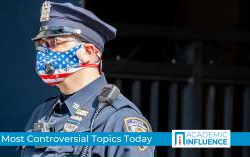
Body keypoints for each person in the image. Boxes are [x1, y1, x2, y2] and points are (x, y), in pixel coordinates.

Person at [20, 1, 155, 157]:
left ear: (89, 52)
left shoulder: (119, 120)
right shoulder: (43, 113)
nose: (44, 52)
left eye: (53, 43)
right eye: (41, 45)